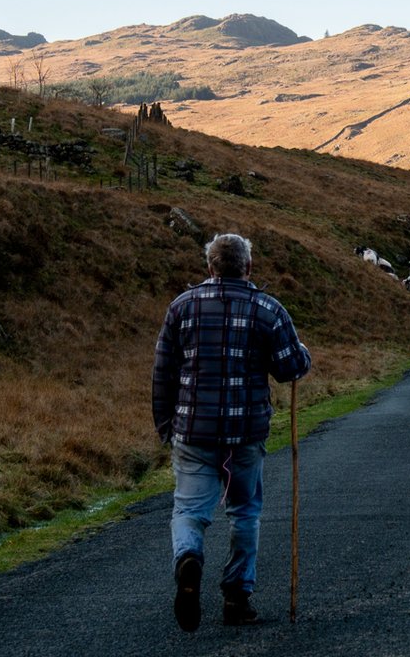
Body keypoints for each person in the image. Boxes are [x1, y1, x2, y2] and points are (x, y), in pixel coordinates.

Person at [152, 233, 311, 631]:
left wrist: (165, 425)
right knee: (244, 511)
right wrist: (302, 352)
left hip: (193, 429)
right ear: (248, 267)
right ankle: (237, 597)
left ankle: (189, 558)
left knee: (189, 510)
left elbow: (163, 370)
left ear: (210, 267)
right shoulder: (268, 309)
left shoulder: (181, 307)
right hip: (245, 431)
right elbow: (291, 368)